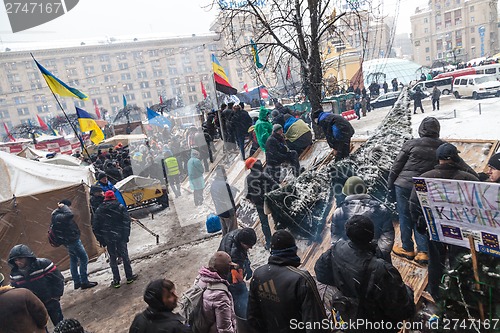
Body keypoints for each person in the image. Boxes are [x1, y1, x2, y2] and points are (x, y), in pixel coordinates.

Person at [315, 216, 415, 330]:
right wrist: (408, 290)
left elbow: (321, 273)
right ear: (372, 234)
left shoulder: (337, 249)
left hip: (350, 317)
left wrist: (345, 287)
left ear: (347, 233)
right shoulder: (381, 269)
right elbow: (403, 309)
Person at [410, 143, 479, 300]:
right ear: (455, 158)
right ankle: (460, 295)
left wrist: (421, 225)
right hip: (461, 230)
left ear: (438, 159)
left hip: (435, 229)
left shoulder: (424, 178)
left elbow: (413, 205)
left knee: (435, 262)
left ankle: (436, 293)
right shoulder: (468, 178)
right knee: (460, 262)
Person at [248, 230, 329, 333]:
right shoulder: (301, 279)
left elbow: (252, 317)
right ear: (293, 249)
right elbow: (316, 324)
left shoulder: (259, 274)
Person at [387, 117, 442, 264]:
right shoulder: (442, 147)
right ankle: (423, 251)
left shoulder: (410, 144)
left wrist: (390, 185)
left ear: (421, 129)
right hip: (425, 187)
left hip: (404, 185)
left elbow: (396, 167)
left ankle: (408, 248)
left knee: (405, 216)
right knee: (421, 216)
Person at [331, 176, 394, 262]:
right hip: (377, 258)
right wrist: (380, 253)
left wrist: (346, 254)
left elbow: (335, 236)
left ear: (346, 192)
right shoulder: (380, 209)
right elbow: (387, 233)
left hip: (349, 261)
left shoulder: (338, 212)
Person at [8, 244, 65, 326]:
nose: (18, 262)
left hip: (50, 301)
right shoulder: (14, 274)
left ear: (27, 257)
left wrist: (56, 296)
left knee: (60, 324)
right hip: (34, 306)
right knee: (41, 327)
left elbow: (58, 279)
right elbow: (15, 290)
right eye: (15, 260)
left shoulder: (44, 264)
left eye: (20, 258)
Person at [94, 190, 138, 288]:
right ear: (114, 197)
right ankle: (129, 277)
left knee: (112, 258)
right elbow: (126, 222)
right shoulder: (120, 207)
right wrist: (126, 236)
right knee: (125, 256)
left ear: (105, 198)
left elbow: (95, 227)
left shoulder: (99, 210)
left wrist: (101, 239)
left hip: (108, 238)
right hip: (120, 236)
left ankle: (116, 280)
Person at [51, 199, 98, 290]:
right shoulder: (59, 216)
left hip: (68, 241)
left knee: (74, 260)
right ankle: (84, 281)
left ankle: (77, 282)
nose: (70, 208)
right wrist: (64, 207)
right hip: (72, 241)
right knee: (84, 258)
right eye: (69, 207)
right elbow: (70, 215)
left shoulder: (56, 215)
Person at [218, 228, 257, 319]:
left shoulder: (238, 234)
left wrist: (247, 265)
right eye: (249, 245)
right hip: (226, 270)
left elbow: (243, 253)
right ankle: (239, 314)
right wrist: (241, 286)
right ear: (242, 242)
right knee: (236, 291)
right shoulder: (234, 254)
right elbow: (236, 278)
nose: (250, 248)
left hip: (227, 262)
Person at [194, 251, 237, 333]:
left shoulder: (201, 278)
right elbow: (225, 329)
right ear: (225, 270)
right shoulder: (220, 294)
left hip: (201, 326)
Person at [245, 157, 278, 249]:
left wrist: (253, 199)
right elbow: (275, 185)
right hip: (269, 200)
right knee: (276, 218)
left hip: (259, 203)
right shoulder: (263, 175)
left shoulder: (248, 178)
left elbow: (248, 194)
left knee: (264, 223)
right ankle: (279, 237)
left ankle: (269, 242)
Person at [210, 166, 238, 235]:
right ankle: (231, 245)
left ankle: (225, 244)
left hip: (219, 210)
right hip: (228, 211)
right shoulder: (224, 185)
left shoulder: (213, 184)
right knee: (232, 232)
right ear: (223, 174)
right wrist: (233, 190)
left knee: (225, 231)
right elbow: (230, 197)